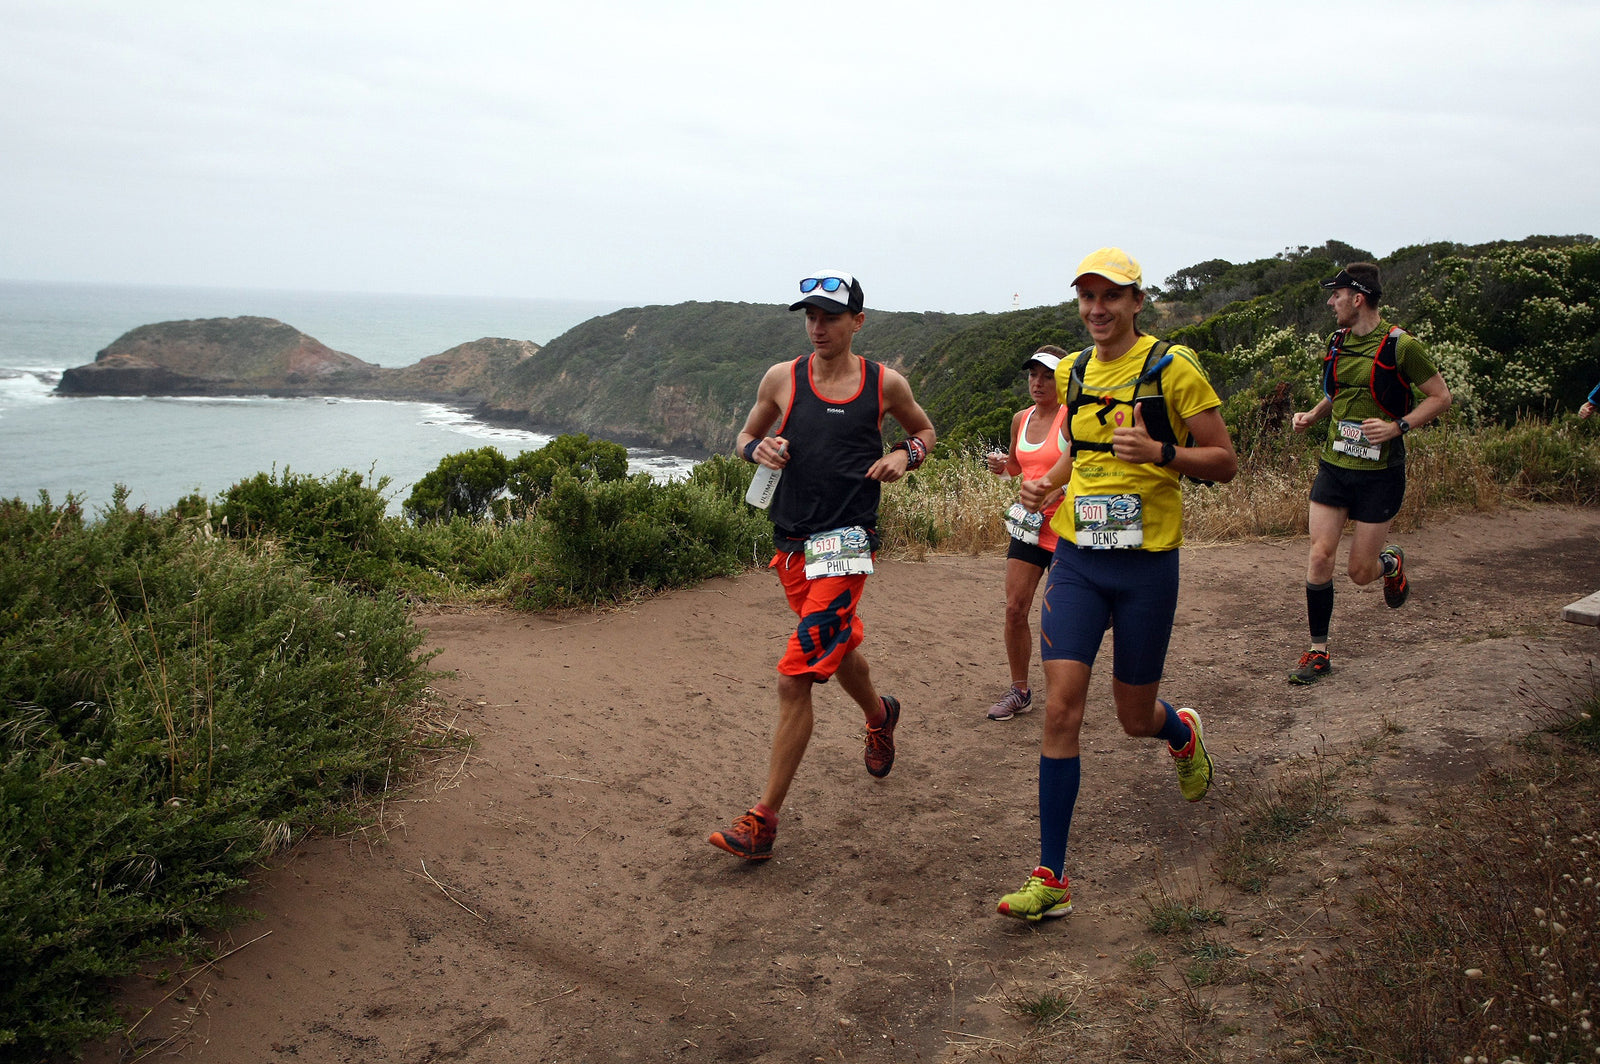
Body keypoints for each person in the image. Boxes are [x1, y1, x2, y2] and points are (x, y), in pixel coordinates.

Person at [996, 248, 1238, 921]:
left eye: (1111, 297)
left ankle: (1179, 733)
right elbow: (1081, 449)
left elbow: (1225, 463)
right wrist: (1050, 480)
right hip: (1077, 559)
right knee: (1060, 707)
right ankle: (1051, 879)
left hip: (1146, 566)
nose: (1097, 310)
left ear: (1137, 301)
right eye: (1087, 298)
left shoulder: (1172, 368)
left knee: (1134, 718)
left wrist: (1162, 453)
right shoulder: (1071, 372)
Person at [709, 270, 937, 862]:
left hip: (847, 545)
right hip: (790, 545)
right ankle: (880, 712)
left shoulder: (884, 384)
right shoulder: (782, 378)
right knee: (838, 651)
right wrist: (754, 448)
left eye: (830, 316)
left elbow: (923, 432)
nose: (817, 327)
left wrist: (902, 456)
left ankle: (762, 822)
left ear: (857, 322)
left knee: (796, 675)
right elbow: (744, 436)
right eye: (810, 316)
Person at [1286, 263, 1452, 686]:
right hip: (1334, 466)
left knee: (1360, 573)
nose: (1330, 301)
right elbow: (1336, 391)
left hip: (1380, 474)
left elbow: (1440, 397)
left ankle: (1390, 563)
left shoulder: (1403, 347)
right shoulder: (1336, 342)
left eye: (1336, 294)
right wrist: (1313, 414)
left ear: (1357, 298)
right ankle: (1318, 651)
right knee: (1320, 554)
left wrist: (1398, 426)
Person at [982, 346, 1070, 721]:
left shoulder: (1074, 416)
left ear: (1063, 379)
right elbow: (1018, 468)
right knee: (1015, 609)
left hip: (1069, 529)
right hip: (1030, 527)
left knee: (1061, 617)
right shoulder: (1021, 418)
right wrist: (1000, 466)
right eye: (1033, 374)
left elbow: (1089, 467)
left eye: (1047, 375)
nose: (1038, 382)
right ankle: (1020, 691)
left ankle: (1065, 694)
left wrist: (1060, 489)